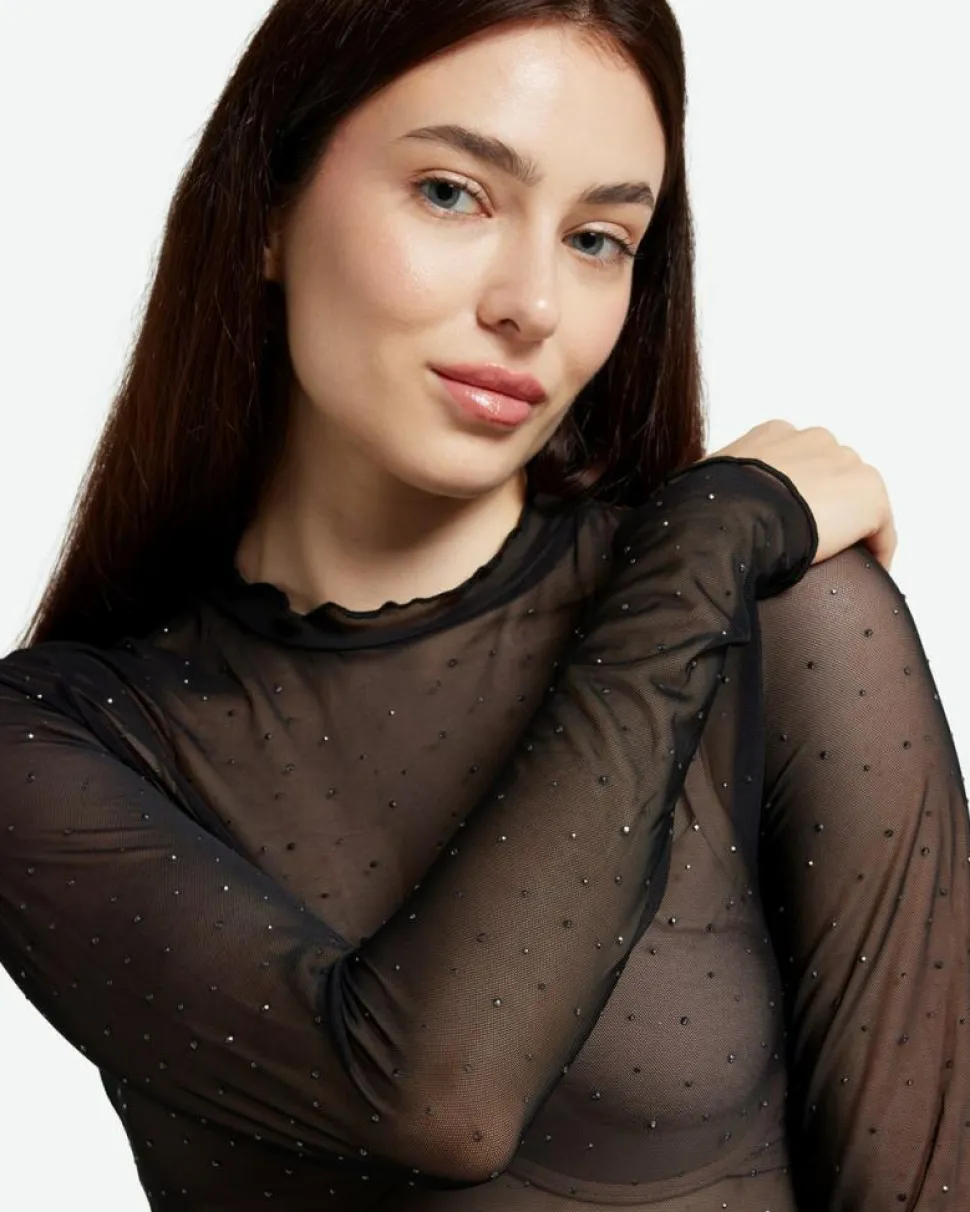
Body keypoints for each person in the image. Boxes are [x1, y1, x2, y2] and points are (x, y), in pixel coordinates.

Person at [0, 1, 965, 1209]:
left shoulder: (788, 624)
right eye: (452, 193)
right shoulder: (58, 748)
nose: (532, 304)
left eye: (598, 238)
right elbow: (433, 1099)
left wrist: (698, 561)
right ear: (266, 210)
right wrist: (702, 548)